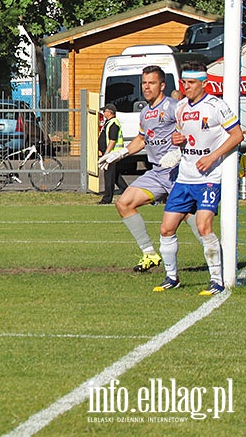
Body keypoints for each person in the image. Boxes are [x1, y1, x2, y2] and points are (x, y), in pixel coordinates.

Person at [98, 66, 204, 272]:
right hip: (157, 173)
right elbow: (142, 138)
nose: (147, 87)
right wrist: (119, 154)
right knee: (124, 203)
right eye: (144, 83)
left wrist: (180, 153)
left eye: (152, 83)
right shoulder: (145, 112)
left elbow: (194, 130)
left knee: (193, 218)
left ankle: (218, 259)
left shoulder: (175, 106)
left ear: (162, 85)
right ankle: (149, 254)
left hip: (178, 172)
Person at [151, 61, 243, 295]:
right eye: (184, 82)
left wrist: (213, 157)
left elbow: (237, 135)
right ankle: (172, 277)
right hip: (185, 177)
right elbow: (180, 135)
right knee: (166, 229)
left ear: (203, 83)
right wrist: (177, 140)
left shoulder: (216, 106)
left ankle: (216, 280)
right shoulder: (180, 107)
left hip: (209, 178)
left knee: (203, 226)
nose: (186, 86)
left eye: (191, 82)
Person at [97, 103, 127, 205]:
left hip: (112, 154)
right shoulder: (109, 122)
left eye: (104, 111)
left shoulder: (114, 123)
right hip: (111, 154)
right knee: (115, 176)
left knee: (109, 176)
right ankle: (126, 191)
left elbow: (112, 140)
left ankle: (107, 198)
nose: (103, 113)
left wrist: (106, 154)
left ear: (110, 112)